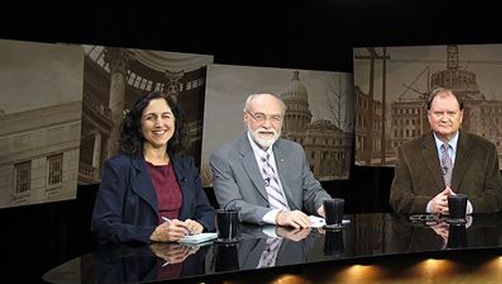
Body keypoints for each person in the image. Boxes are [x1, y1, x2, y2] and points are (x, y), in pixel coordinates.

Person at [91, 91, 215, 244]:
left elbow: (206, 212)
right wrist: (152, 234)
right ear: (138, 125)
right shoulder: (119, 167)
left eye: (166, 116)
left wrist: (200, 224)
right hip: (137, 261)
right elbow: (103, 227)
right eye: (150, 117)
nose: (159, 124)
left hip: (185, 260)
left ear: (175, 122)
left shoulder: (186, 165)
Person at [210, 93, 332, 229]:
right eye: (259, 117)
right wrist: (278, 216)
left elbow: (312, 191)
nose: (267, 125)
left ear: (282, 121)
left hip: (296, 236)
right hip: (254, 239)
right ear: (246, 117)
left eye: (275, 118)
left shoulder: (294, 151)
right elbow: (231, 205)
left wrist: (323, 206)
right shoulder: (224, 157)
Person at [389, 88, 502, 214]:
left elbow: (496, 197)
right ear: (429, 116)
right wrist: (429, 205)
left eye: (451, 113)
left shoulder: (485, 150)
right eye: (438, 113)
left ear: (461, 116)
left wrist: (467, 206)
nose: (445, 119)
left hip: (470, 231)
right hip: (425, 231)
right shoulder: (408, 152)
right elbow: (398, 198)